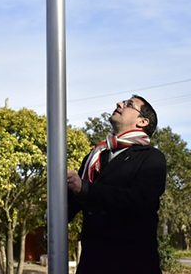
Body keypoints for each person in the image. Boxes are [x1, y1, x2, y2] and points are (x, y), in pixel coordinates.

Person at [67, 95, 166, 274]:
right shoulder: (95, 156)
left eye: (129, 104)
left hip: (131, 263)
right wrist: (55, 211)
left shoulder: (151, 157)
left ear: (143, 121)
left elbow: (140, 201)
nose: (119, 104)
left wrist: (86, 188)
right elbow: (74, 202)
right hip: (93, 262)